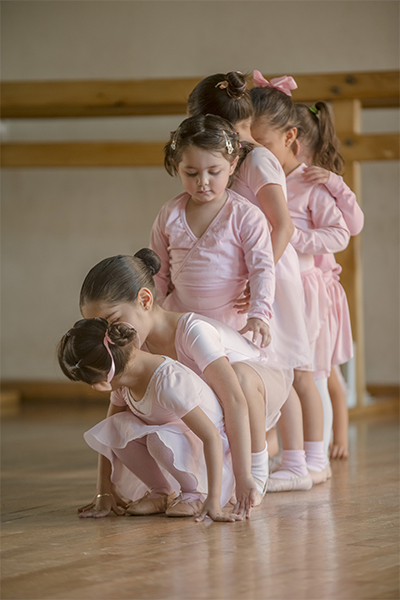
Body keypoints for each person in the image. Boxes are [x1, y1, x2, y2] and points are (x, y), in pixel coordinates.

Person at [80, 250, 307, 511]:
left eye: (113, 321)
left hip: (257, 385)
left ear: (144, 300)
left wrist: (245, 476)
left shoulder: (192, 332)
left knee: (240, 378)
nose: (108, 337)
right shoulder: (134, 349)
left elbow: (234, 398)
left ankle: (257, 469)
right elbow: (111, 423)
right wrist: (103, 491)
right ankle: (169, 490)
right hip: (216, 410)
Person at [188, 71, 330, 488]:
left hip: (272, 273)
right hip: (253, 274)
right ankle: (293, 462)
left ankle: (300, 464)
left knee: (282, 367)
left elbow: (281, 226)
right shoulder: (234, 158)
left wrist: (257, 276)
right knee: (269, 367)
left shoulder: (257, 158)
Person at [250, 73, 351, 460]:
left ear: (290, 138)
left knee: (308, 374)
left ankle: (314, 456)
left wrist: (294, 241)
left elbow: (340, 233)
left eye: (263, 143)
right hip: (272, 283)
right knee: (280, 370)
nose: (255, 151)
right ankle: (283, 448)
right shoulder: (259, 178)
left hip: (306, 287)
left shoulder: (310, 183)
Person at [58, 317, 240, 522]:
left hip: (212, 464)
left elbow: (212, 437)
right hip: (174, 452)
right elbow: (109, 436)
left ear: (100, 383)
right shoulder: (124, 381)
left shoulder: (168, 383)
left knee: (156, 439)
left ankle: (196, 494)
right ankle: (161, 492)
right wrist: (104, 492)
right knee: (117, 426)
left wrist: (214, 500)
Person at [151, 113, 275, 348]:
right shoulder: (169, 213)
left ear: (232, 165)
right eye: (191, 173)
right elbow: (157, 270)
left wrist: (259, 314)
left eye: (213, 172)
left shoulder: (245, 216)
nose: (203, 181)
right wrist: (154, 312)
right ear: (178, 168)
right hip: (178, 318)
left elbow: (262, 268)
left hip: (231, 323)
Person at [295, 101, 364, 459]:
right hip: (303, 292)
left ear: (295, 142)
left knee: (329, 372)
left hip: (322, 293)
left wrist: (337, 183)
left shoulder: (320, 183)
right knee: (310, 372)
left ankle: (338, 436)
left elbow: (353, 226)